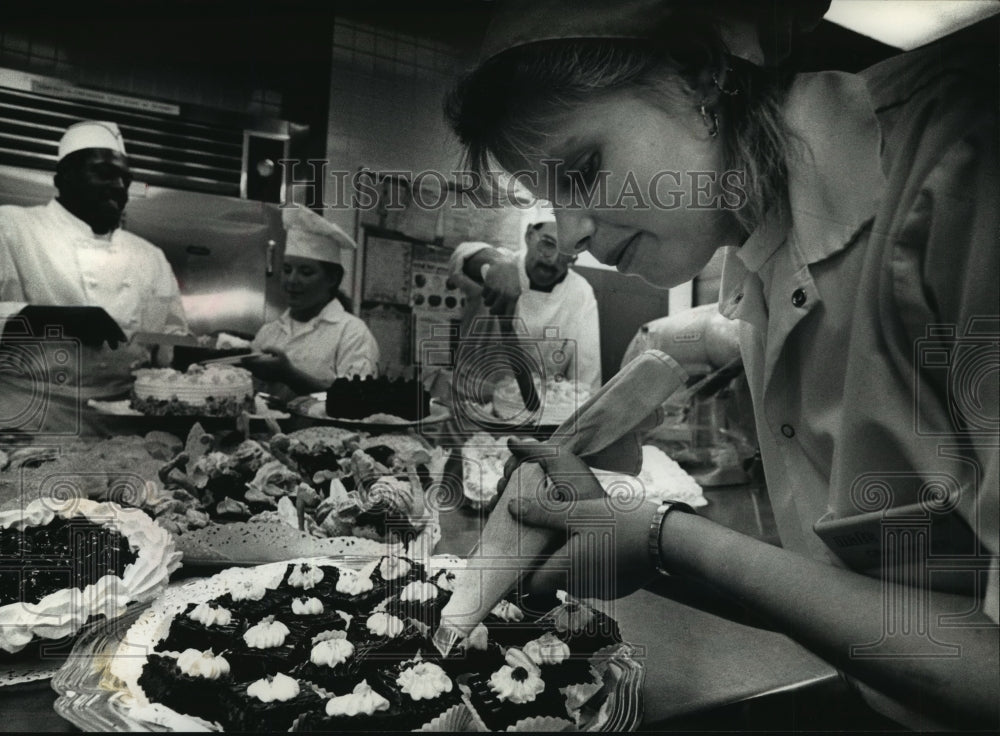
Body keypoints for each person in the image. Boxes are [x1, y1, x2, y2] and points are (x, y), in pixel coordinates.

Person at [446, 0, 998, 729]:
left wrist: (665, 534)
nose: (572, 235)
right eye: (551, 200)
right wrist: (651, 552)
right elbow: (876, 603)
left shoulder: (962, 162)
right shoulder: (764, 265)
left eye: (582, 170)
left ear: (702, 75)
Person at [0, 120, 188, 435]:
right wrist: (48, 318)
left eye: (125, 179)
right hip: (27, 421)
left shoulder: (150, 256)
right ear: (61, 179)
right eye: (103, 173)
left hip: (125, 427)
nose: (118, 186)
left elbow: (168, 340)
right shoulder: (11, 228)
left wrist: (200, 350)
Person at [448, 203, 602, 398]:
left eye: (565, 253)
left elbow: (587, 378)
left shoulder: (581, 293)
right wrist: (498, 263)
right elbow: (460, 256)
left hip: (535, 412)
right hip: (471, 402)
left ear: (575, 258)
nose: (552, 259)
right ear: (529, 235)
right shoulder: (502, 266)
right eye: (547, 243)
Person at [247, 205, 379, 398]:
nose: (292, 280)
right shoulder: (269, 332)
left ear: (332, 278)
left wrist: (289, 375)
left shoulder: (353, 334)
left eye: (306, 272)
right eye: (287, 269)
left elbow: (357, 399)